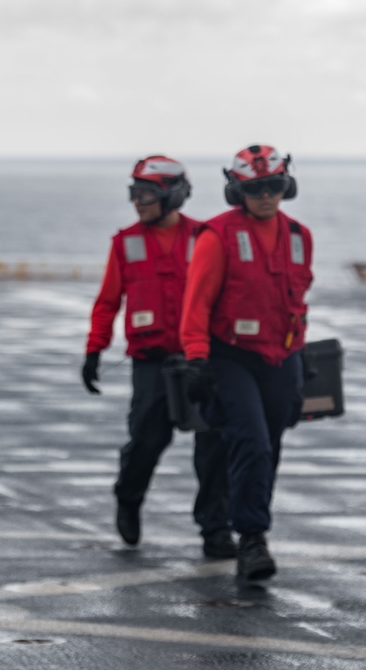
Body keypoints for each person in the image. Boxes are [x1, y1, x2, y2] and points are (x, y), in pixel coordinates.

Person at [82, 156, 234, 558]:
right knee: (147, 441)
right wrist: (94, 349)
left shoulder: (207, 238)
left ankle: (215, 530)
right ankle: (128, 498)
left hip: (203, 359)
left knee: (214, 445)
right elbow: (108, 302)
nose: (138, 202)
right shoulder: (126, 243)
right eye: (134, 194)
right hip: (153, 363)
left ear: (172, 195)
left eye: (146, 194)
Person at [179, 144, 312, 584]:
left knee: (266, 446)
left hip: (281, 358)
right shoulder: (216, 237)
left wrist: (302, 356)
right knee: (251, 442)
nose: (266, 196)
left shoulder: (299, 236)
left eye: (274, 186)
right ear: (238, 190)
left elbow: (296, 304)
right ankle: (252, 538)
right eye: (255, 189)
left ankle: (229, 522)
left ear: (285, 185)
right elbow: (195, 305)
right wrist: (196, 359)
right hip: (229, 356)